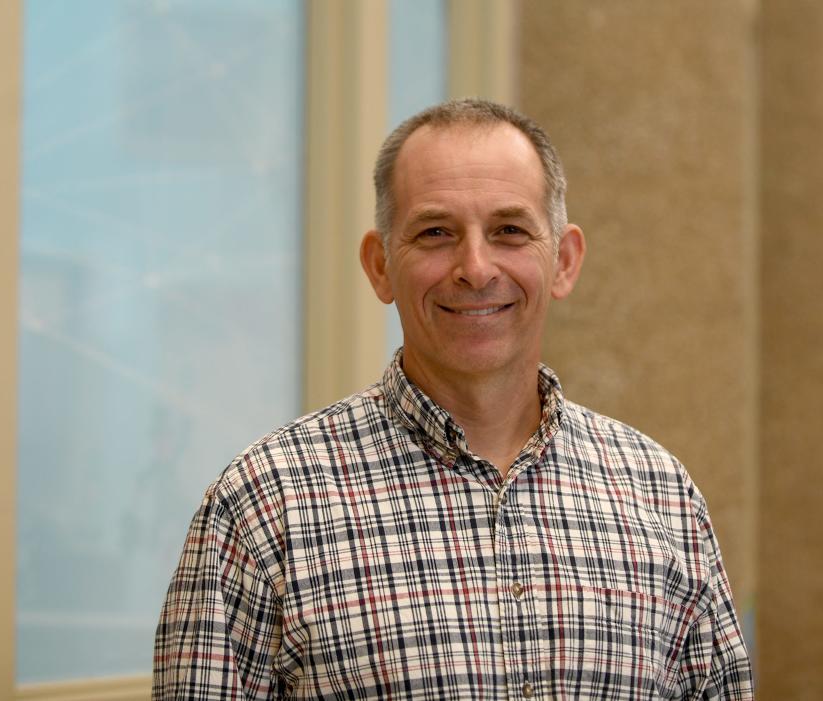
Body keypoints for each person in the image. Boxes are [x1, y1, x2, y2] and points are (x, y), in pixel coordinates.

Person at [152, 98, 753, 700]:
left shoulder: (661, 496)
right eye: (435, 232)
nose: (475, 267)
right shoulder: (263, 508)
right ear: (380, 265)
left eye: (509, 231)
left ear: (564, 262)